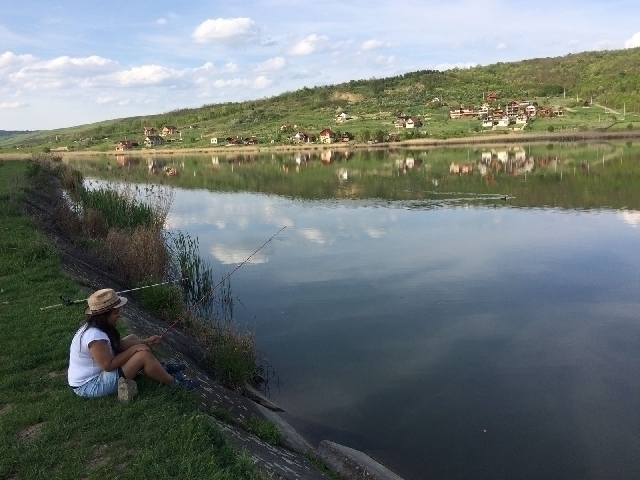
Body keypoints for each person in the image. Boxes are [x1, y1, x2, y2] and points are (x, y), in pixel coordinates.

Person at [68, 288, 200, 398]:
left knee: (132, 337)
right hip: (89, 386)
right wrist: (135, 349)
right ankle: (176, 385)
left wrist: (145, 341)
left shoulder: (98, 327)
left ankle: (161, 369)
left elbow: (117, 345)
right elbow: (108, 366)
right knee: (142, 355)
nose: (119, 315)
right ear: (104, 315)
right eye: (116, 313)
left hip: (96, 376)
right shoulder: (95, 337)